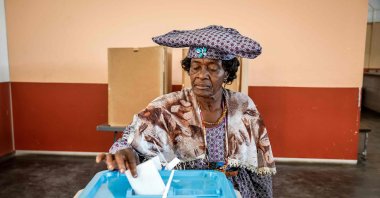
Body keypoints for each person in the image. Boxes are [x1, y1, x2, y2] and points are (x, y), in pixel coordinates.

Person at [96, 25, 276, 198]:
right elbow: (130, 143)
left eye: (212, 68)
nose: (201, 75)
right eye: (195, 67)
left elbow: (260, 165)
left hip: (232, 191)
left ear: (227, 73)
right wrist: (125, 152)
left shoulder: (243, 106)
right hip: (182, 190)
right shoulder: (166, 107)